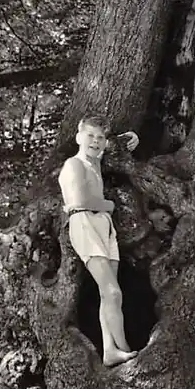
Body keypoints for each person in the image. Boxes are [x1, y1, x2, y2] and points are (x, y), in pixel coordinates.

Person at [58, 116, 139, 367]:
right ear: (78, 137)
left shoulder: (96, 162)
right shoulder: (74, 164)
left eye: (100, 137)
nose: (95, 141)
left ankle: (110, 350)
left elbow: (110, 145)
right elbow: (78, 202)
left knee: (111, 294)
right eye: (90, 135)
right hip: (84, 222)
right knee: (112, 291)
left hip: (104, 225)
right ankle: (126, 348)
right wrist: (109, 205)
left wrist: (132, 137)